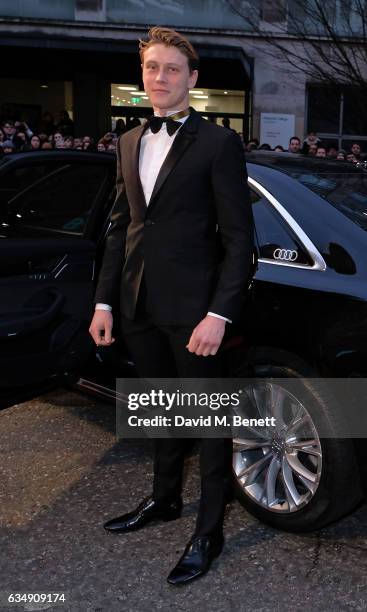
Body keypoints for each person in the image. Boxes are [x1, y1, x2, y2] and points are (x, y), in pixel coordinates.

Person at [89, 26, 254, 586]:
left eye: (172, 69)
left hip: (195, 313)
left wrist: (219, 313)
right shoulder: (129, 140)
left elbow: (239, 241)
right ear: (143, 75)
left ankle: (209, 530)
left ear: (192, 79)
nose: (160, 78)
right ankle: (164, 501)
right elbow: (120, 229)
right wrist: (104, 302)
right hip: (136, 306)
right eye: (152, 68)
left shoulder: (218, 143)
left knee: (207, 424)